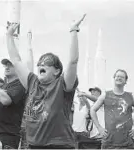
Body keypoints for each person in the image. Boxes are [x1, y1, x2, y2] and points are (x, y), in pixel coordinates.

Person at [6, 14, 86, 149]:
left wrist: (73, 31)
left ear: (57, 71)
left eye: (47, 62)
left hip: (59, 146)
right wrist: (8, 36)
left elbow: (73, 62)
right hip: (34, 146)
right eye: (40, 62)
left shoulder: (63, 84)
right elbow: (16, 60)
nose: (41, 64)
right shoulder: (32, 82)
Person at [90, 69, 134, 149]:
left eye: (122, 77)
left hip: (127, 144)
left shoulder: (131, 96)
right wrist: (99, 128)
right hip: (108, 143)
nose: (119, 78)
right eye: (117, 76)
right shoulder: (105, 95)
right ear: (114, 79)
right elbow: (92, 110)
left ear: (126, 81)